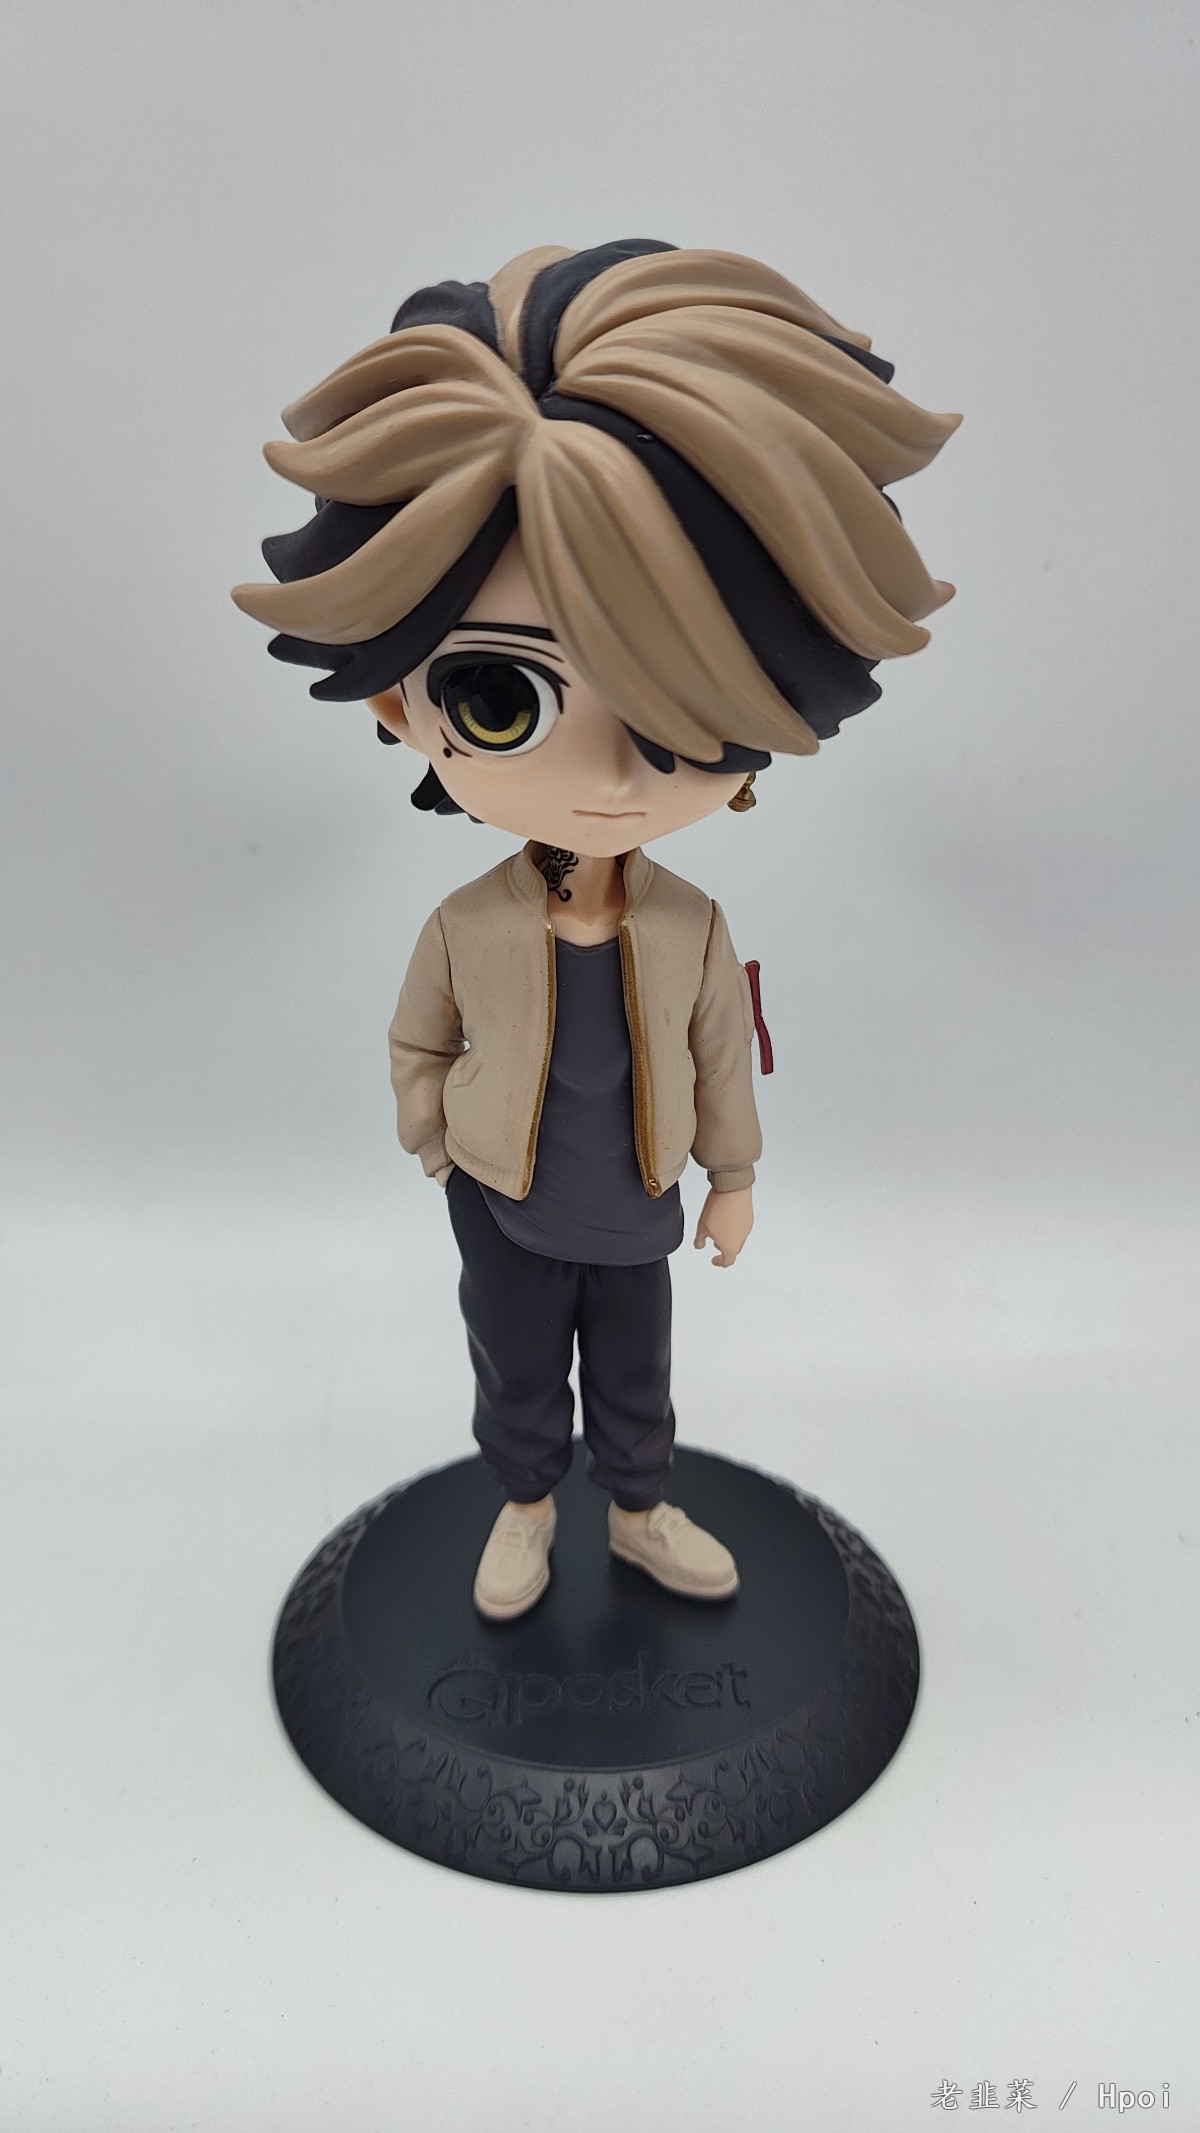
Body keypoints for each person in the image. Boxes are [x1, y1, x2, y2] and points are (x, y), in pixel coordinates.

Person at [232, 238, 959, 1620]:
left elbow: (722, 1053)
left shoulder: (690, 926)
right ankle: (522, 1510)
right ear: (399, 701)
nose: (620, 779)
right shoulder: (467, 921)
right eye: (505, 699)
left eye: (693, 715)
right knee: (515, 1370)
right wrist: (439, 1142)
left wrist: (733, 1177)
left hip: (637, 1211)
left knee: (637, 1375)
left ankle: (637, 1509)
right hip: (503, 1202)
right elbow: (415, 1038)